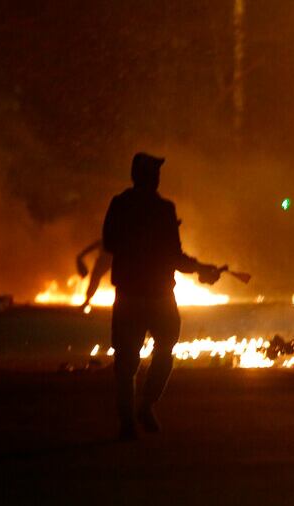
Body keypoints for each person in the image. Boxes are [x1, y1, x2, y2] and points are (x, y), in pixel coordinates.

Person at [102, 152, 221, 440]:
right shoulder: (162, 209)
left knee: (127, 361)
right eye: (153, 173)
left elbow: (109, 243)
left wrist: (198, 268)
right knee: (162, 351)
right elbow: (173, 255)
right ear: (148, 177)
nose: (156, 178)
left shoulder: (122, 204)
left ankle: (129, 421)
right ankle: (144, 408)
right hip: (155, 294)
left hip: (134, 293)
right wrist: (200, 269)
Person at [75, 239, 112, 309]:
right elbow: (94, 246)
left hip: (105, 261)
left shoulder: (105, 242)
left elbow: (93, 246)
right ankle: (87, 301)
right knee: (95, 278)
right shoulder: (104, 242)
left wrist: (82, 254)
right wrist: (82, 254)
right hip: (105, 261)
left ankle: (87, 301)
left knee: (95, 278)